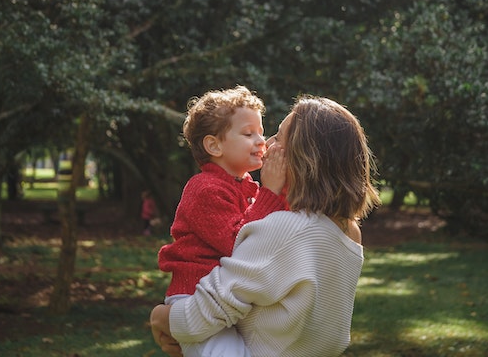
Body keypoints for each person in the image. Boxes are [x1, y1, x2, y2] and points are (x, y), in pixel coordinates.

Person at [150, 95, 382, 357]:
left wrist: (160, 317)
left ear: (304, 157)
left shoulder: (284, 229)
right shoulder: (349, 232)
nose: (266, 144)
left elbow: (200, 316)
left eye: (278, 137)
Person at [156, 85, 288, 357]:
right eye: (248, 133)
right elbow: (240, 244)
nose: (261, 141)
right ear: (214, 145)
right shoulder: (205, 189)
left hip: (225, 297)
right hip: (196, 298)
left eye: (261, 132)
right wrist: (271, 192)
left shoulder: (242, 186)